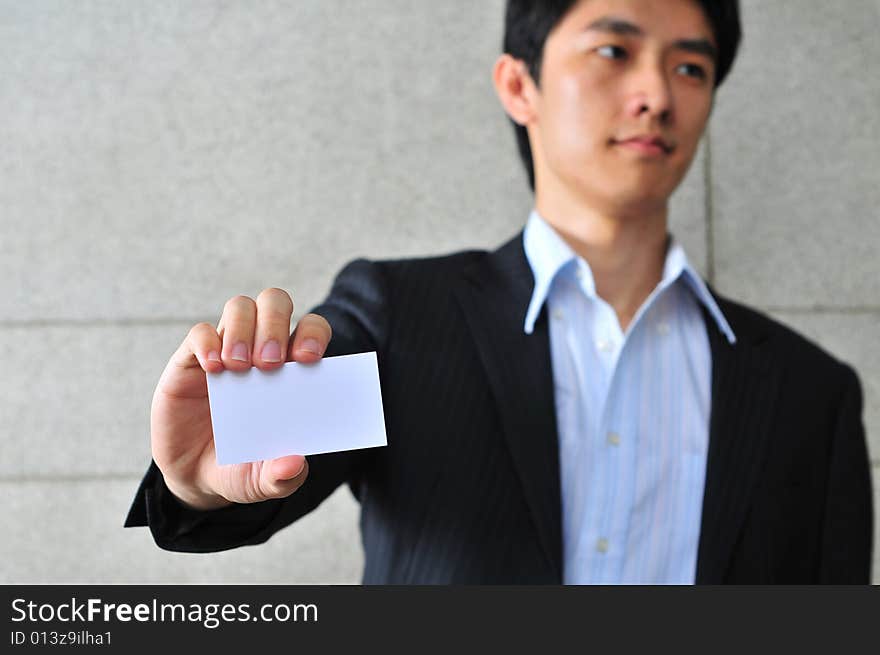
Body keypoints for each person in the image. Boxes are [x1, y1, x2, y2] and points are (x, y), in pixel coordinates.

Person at [125, 0, 873, 583]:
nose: (655, 93)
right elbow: (248, 463)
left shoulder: (810, 393)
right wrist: (202, 480)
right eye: (614, 51)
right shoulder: (405, 319)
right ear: (520, 84)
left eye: (690, 68)